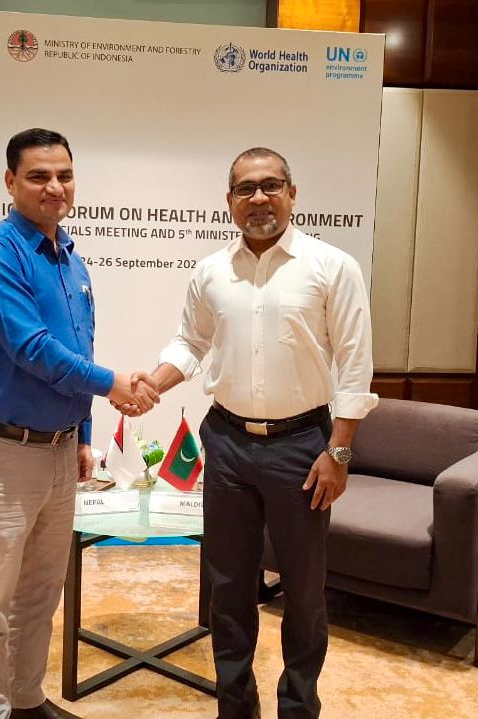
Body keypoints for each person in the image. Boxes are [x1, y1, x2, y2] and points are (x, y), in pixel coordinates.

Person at [119, 147, 378, 718]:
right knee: (228, 586)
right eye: (245, 189)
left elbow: (355, 364)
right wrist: (152, 384)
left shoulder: (332, 267)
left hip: (302, 448)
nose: (258, 198)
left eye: (271, 185)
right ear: (229, 201)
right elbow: (190, 343)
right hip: (228, 443)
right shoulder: (211, 271)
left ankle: (298, 707)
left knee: (303, 591)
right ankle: (235, 707)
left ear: (292, 193)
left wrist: (339, 451)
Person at [0, 128, 158, 719]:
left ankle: (26, 700)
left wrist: (84, 435)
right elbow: (32, 348)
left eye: (64, 175)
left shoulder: (71, 258)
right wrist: (113, 383)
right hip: (3, 451)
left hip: (59, 450)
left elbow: (77, 347)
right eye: (38, 176)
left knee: (42, 591)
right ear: (10, 181)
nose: (54, 187)